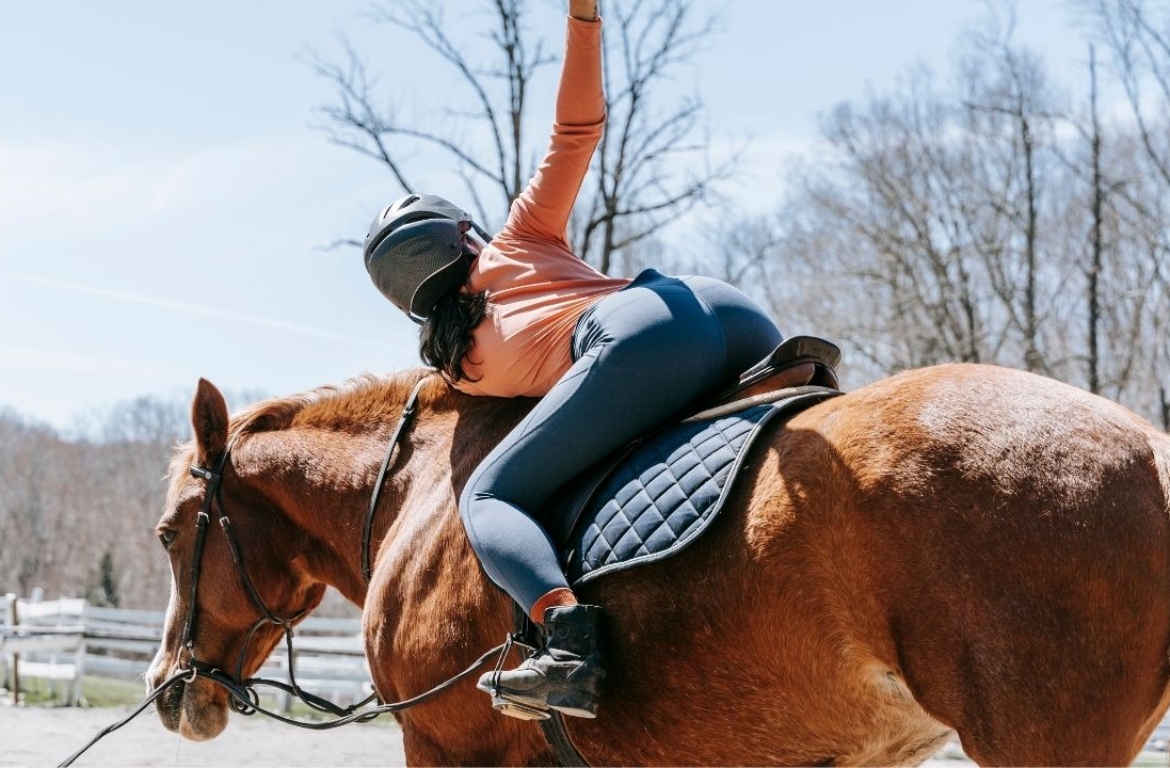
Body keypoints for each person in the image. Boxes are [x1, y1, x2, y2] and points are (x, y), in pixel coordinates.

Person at [361, 0, 783, 720]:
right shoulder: (517, 241)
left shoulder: (459, 367)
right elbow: (576, 131)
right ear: (462, 237)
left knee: (489, 495)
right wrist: (583, 21)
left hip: (638, 342)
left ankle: (568, 644)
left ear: (406, 296)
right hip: (725, 310)